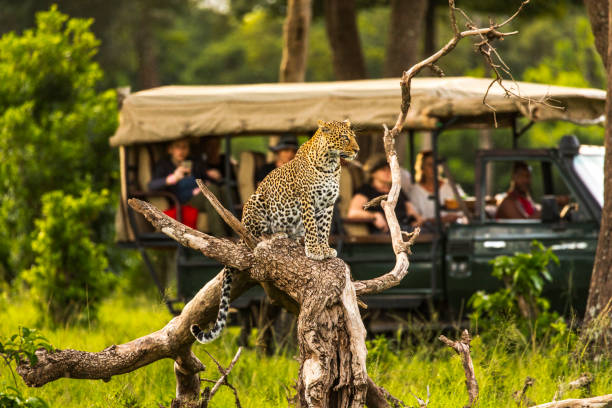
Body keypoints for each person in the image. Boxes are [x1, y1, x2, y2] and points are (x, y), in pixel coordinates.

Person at [148, 137, 226, 235]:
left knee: (224, 190)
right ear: (170, 150)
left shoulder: (193, 162)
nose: (181, 151)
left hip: (201, 195)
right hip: (183, 201)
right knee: (212, 190)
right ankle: (221, 236)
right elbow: (151, 185)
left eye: (184, 147)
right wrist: (173, 178)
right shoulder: (164, 165)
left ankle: (236, 234)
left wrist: (213, 177)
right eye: (178, 147)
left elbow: (206, 178)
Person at [348, 154, 423, 234]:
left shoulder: (397, 190)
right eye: (383, 169)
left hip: (405, 229)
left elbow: (411, 211)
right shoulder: (366, 190)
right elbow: (353, 212)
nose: (388, 172)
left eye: (390, 169)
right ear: (373, 172)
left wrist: (417, 220)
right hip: (383, 233)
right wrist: (374, 216)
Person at [408, 150, 464, 225]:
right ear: (422, 168)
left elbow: (465, 210)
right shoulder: (415, 191)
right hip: (427, 233)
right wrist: (441, 220)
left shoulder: (452, 187)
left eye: (436, 164)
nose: (434, 168)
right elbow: (414, 220)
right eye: (430, 165)